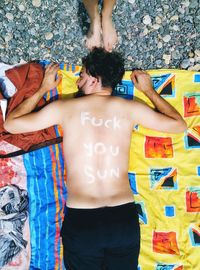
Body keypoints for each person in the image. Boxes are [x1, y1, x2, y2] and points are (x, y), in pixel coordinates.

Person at [3, 48, 187, 270]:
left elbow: (12, 124)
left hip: (83, 219)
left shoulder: (66, 108)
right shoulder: (129, 108)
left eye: (81, 75)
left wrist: (44, 88)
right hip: (122, 218)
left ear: (93, 77)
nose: (78, 81)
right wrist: (149, 91)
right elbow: (178, 125)